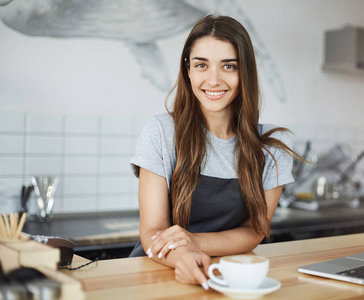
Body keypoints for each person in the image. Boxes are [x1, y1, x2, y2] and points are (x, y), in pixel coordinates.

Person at [129, 14, 303, 290]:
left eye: (228, 66)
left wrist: (195, 242)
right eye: (201, 65)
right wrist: (183, 255)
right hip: (160, 271)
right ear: (188, 69)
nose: (213, 80)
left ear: (245, 71)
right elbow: (152, 232)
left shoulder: (271, 148)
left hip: (227, 277)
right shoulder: (161, 131)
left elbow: (254, 231)